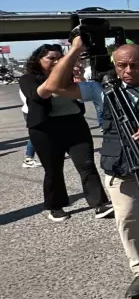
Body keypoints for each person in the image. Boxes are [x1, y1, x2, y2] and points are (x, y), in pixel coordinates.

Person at [42, 40, 139, 299]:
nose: (127, 71)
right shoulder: (101, 90)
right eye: (121, 65)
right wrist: (75, 50)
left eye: (135, 65)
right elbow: (52, 87)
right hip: (119, 164)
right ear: (114, 66)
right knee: (126, 217)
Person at [18, 44, 114, 222]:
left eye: (59, 58)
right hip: (45, 128)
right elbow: (38, 96)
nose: (56, 61)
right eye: (51, 58)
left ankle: (100, 204)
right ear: (38, 61)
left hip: (74, 123)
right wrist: (58, 74)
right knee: (53, 169)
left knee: (86, 164)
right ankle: (55, 206)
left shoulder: (68, 75)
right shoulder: (28, 78)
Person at [18, 89, 40, 168]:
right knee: (36, 134)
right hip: (32, 111)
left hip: (30, 110)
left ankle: (55, 153)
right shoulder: (29, 82)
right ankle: (28, 159)